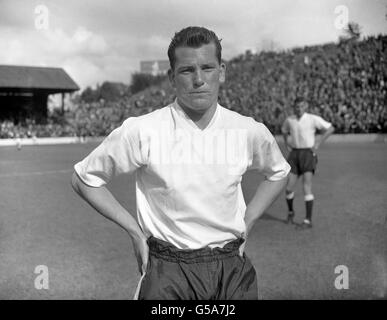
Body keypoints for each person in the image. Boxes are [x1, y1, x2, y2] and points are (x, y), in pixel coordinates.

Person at [71, 26, 290, 300]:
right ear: (171, 76)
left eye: (208, 68)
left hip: (231, 268)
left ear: (221, 71)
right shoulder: (143, 130)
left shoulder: (247, 130)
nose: (199, 79)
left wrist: (249, 219)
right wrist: (134, 232)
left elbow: (279, 172)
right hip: (168, 270)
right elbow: (83, 179)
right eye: (187, 70)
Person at [281, 97, 334, 229]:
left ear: (305, 107)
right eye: (297, 106)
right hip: (294, 154)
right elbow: (283, 130)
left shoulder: (312, 118)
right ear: (294, 107)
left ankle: (308, 220)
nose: (299, 109)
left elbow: (330, 128)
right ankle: (291, 212)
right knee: (288, 188)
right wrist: (287, 143)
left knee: (306, 186)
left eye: (301, 106)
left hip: (307, 154)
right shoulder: (290, 119)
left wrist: (318, 142)